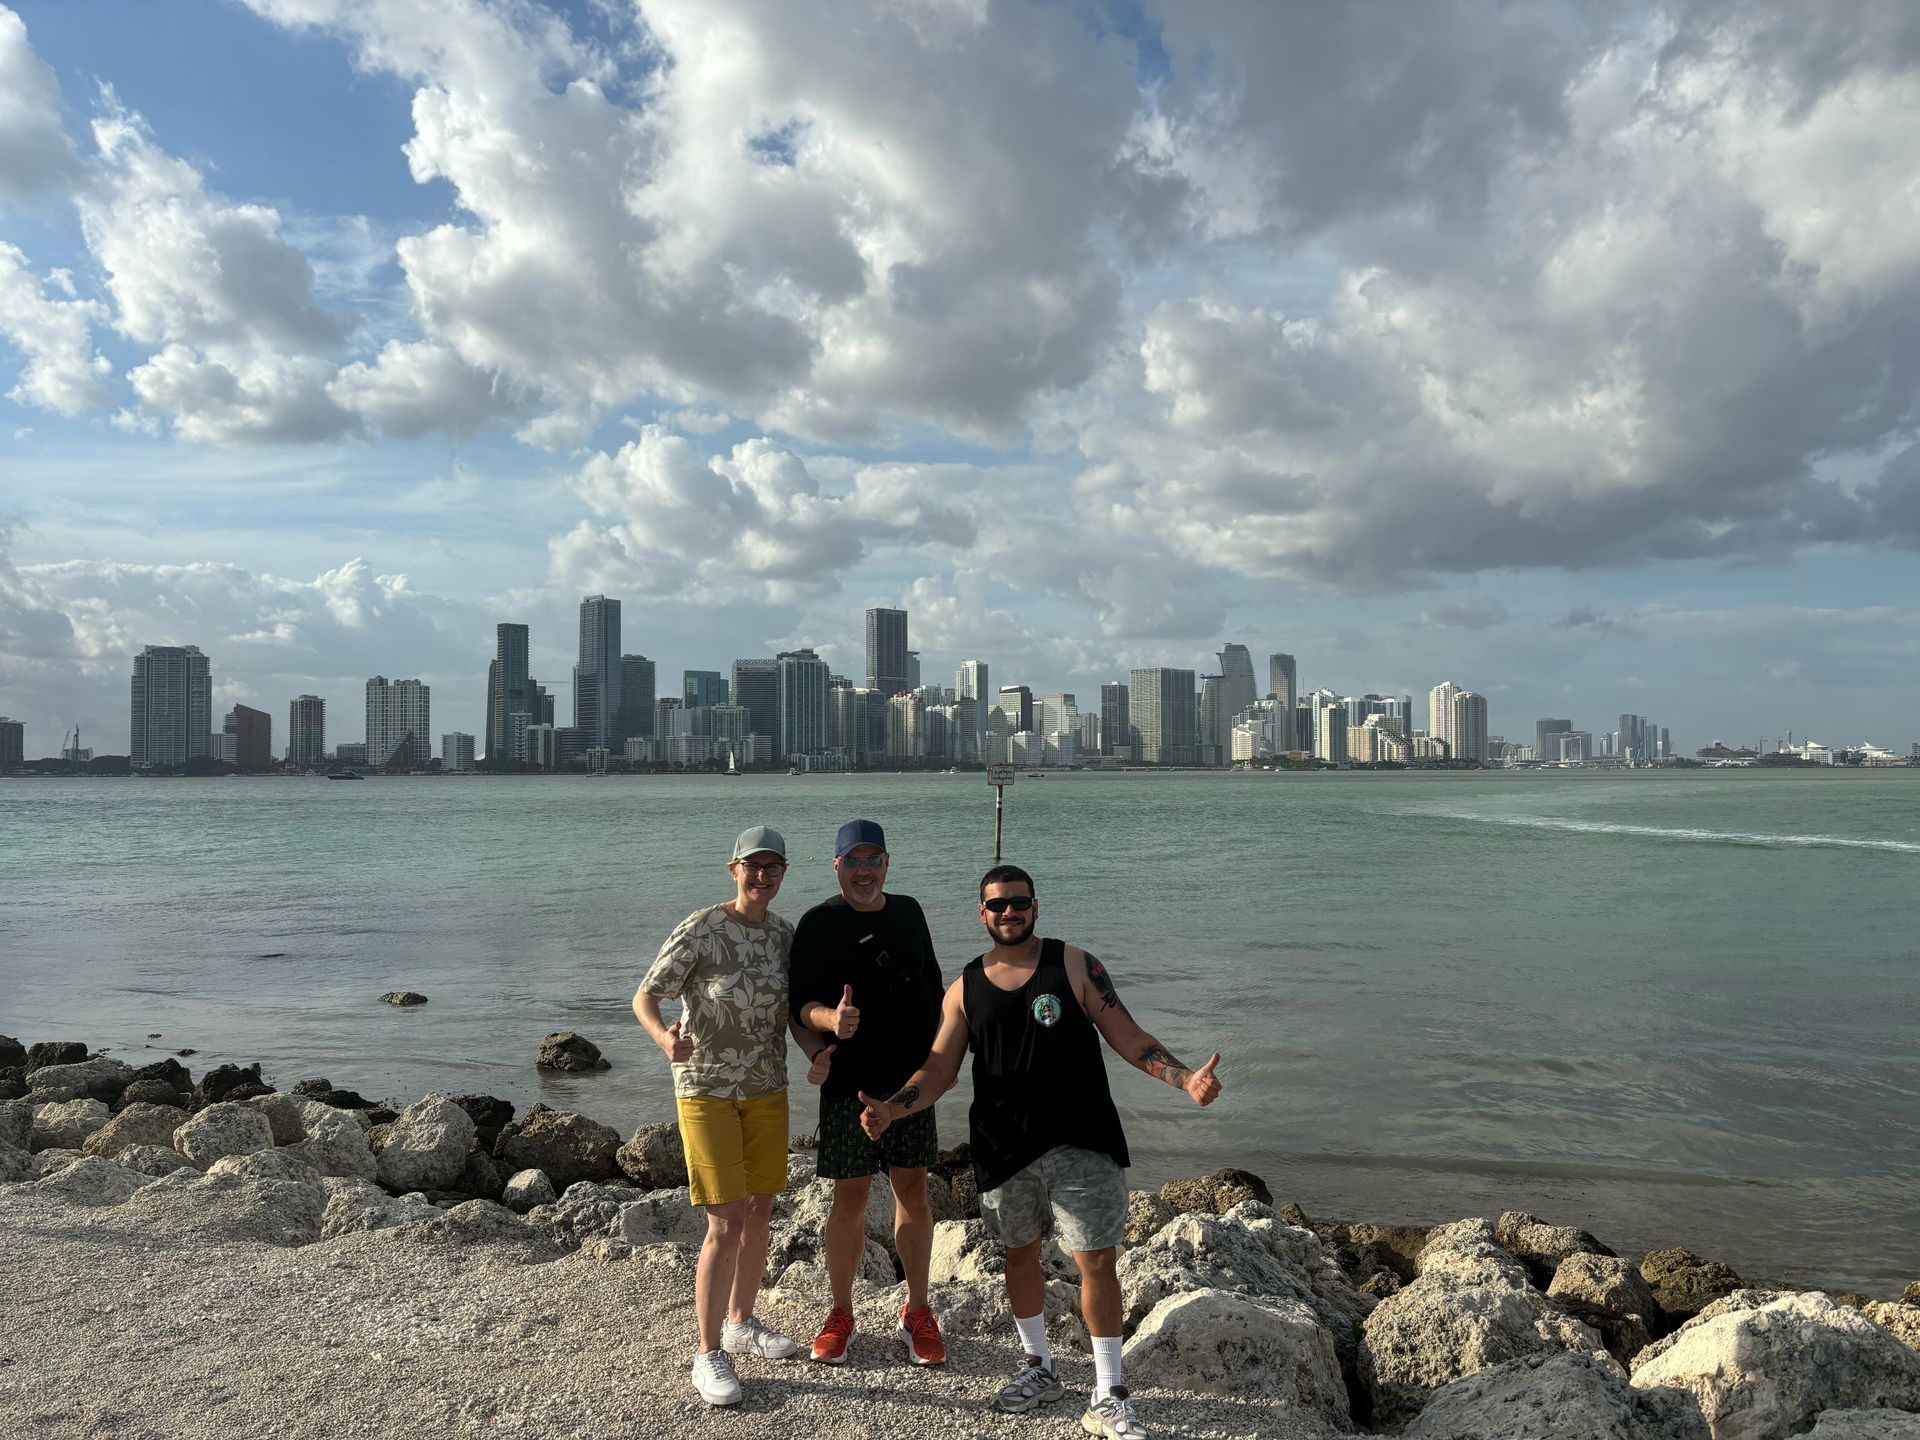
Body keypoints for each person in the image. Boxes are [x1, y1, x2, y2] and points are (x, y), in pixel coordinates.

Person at [857, 864, 1223, 1440]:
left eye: (1018, 903)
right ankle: (1040, 1367)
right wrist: (894, 1107)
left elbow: (1129, 1037)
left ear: (1035, 907)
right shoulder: (965, 988)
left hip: (1083, 1139)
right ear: (982, 914)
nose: (1009, 913)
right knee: (1018, 1256)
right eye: (996, 905)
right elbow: (938, 1071)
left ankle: (1109, 1391)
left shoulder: (1074, 965)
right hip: (1004, 1147)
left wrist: (1183, 1080)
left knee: (1096, 1261)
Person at [632, 824, 832, 1407]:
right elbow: (647, 995)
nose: (762, 876)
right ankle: (708, 1352)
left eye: (774, 868)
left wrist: (817, 1053)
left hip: (767, 1088)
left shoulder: (785, 937)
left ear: (784, 874)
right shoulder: (701, 928)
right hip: (705, 1090)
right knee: (724, 1220)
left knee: (761, 1207)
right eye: (753, 866)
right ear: (733, 869)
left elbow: (794, 1015)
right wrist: (664, 1043)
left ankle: (742, 1322)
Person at [789, 818, 947, 1367]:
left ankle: (918, 1310)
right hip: (848, 1090)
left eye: (872, 859)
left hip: (908, 1088)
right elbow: (799, 1009)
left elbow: (936, 989)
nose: (864, 871)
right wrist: (830, 1021)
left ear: (887, 863)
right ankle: (840, 1313)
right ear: (835, 866)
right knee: (849, 1200)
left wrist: (943, 1060)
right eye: (852, 860)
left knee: (914, 1194)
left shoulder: (910, 912)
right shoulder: (817, 923)